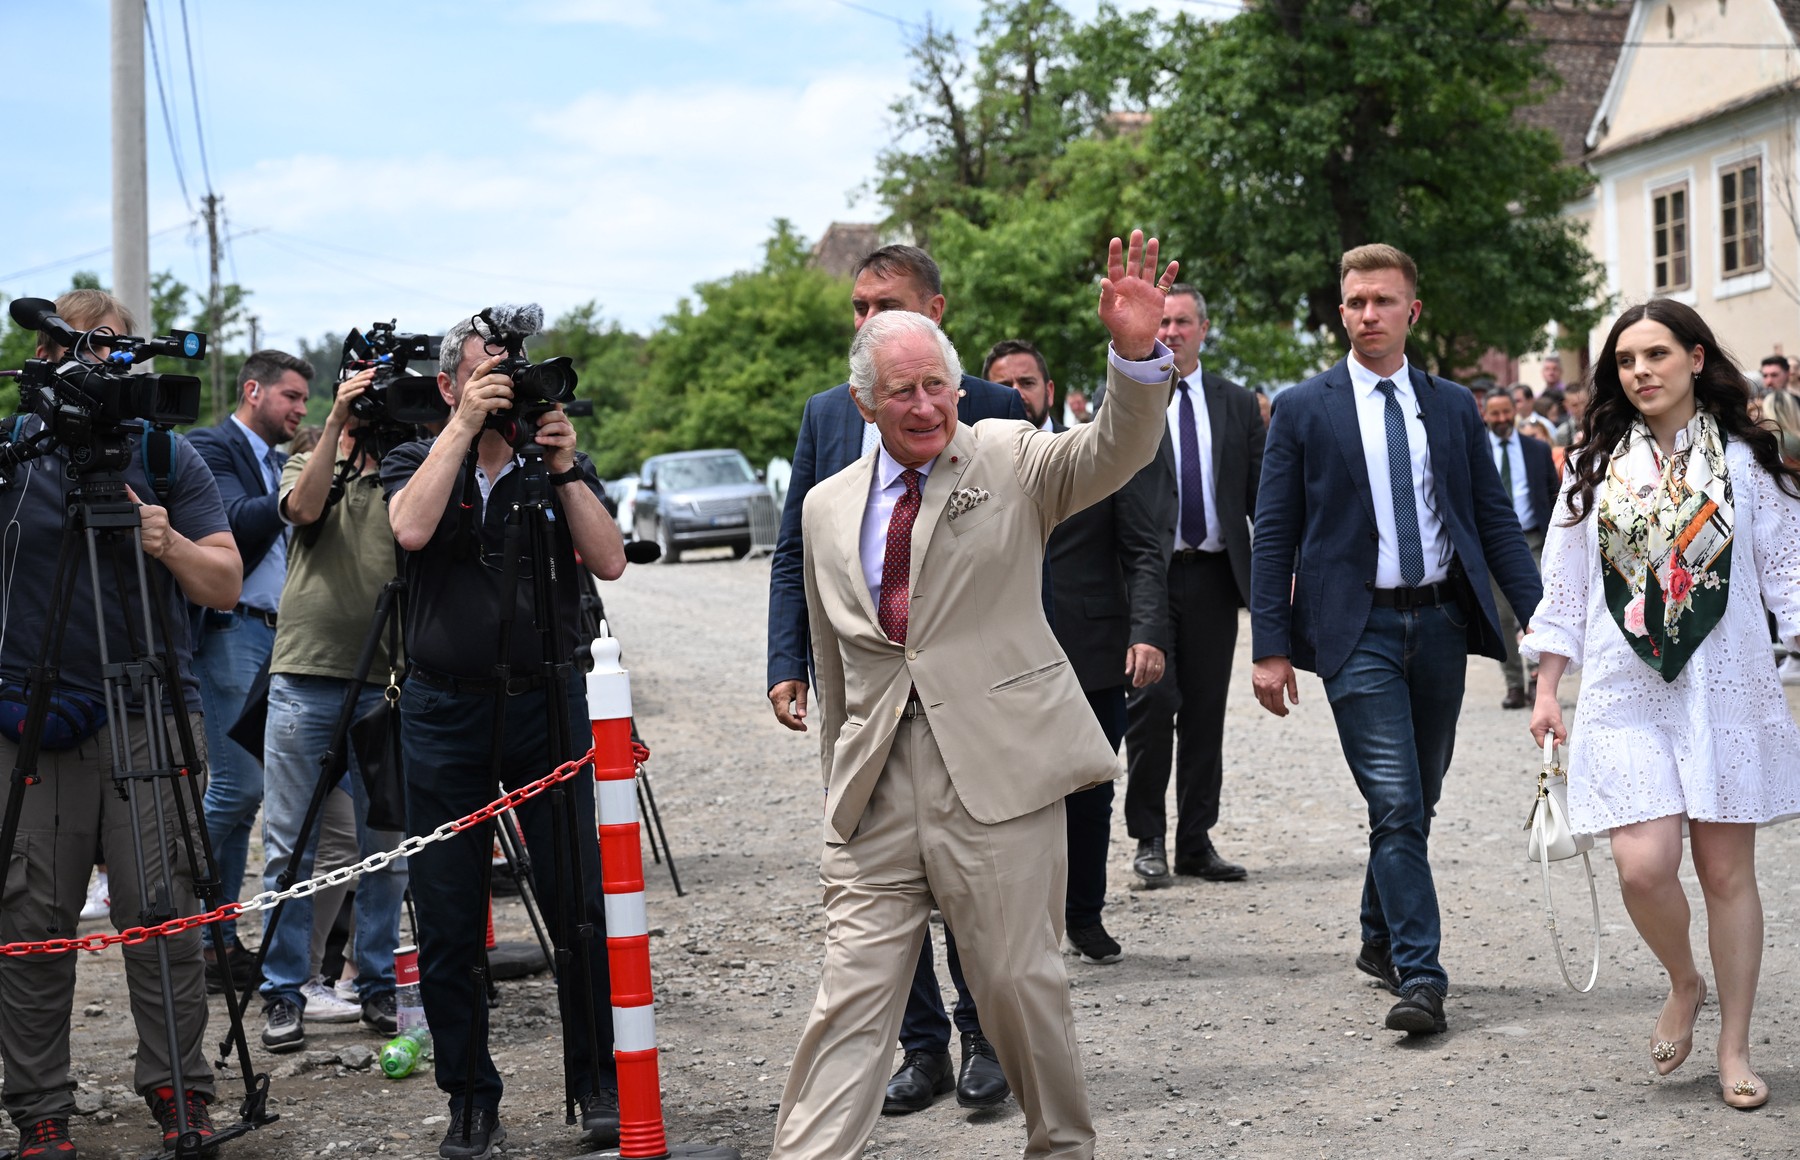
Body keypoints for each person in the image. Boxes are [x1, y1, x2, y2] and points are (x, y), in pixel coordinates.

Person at [770, 231, 1177, 1160]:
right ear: (864, 405)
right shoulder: (828, 505)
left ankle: (1062, 1145)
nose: (924, 406)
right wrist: (840, 779)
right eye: (902, 392)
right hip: (874, 793)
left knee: (1016, 985)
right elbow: (841, 665)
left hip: (993, 778)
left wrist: (1136, 357)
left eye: (936, 386)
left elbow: (1113, 451)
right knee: (847, 1000)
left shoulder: (1006, 455)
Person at [1249, 244, 1542, 1036]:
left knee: (1420, 800)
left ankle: (1377, 936)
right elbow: (1274, 533)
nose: (1367, 314)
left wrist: (1543, 618)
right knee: (1397, 798)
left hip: (1441, 620)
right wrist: (1269, 644)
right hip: (1356, 629)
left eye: (1382, 301)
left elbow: (1493, 521)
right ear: (1340, 312)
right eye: (1354, 303)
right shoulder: (1305, 408)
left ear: (1412, 311)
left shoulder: (1449, 407)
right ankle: (1423, 974)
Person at [764, 243, 1027, 1118]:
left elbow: (1024, 560)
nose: (868, 319)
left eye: (888, 303)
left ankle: (986, 1035)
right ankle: (921, 1049)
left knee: (972, 884)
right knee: (883, 886)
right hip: (870, 707)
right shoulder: (827, 412)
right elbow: (796, 551)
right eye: (858, 306)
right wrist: (786, 662)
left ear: (937, 311)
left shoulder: (988, 409)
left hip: (969, 701)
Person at [1525, 299, 1800, 1111]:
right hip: (1627, 689)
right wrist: (1546, 686)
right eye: (1624, 361)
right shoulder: (1595, 464)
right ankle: (1685, 981)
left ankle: (1735, 1045)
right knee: (1641, 866)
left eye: (1655, 355)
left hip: (1727, 687)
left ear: (1695, 358)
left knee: (1724, 872)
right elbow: (1567, 586)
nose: (1640, 371)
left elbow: (1789, 574)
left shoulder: (1751, 463)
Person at [0, 289, 242, 1157]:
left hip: (150, 706)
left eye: (110, 349)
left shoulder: (166, 457)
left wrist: (168, 542)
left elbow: (223, 582)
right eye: (78, 349)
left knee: (161, 908)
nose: (96, 365)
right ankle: (39, 1110)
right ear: (43, 355)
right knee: (30, 918)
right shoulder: (11, 454)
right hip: (33, 719)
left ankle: (183, 1094)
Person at [383, 308, 627, 1159]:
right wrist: (460, 427)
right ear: (450, 384)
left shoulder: (547, 465)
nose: (503, 389)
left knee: (580, 907)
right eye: (485, 373)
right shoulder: (418, 456)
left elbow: (610, 560)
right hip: (445, 711)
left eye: (510, 374)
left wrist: (561, 467)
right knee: (449, 917)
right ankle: (470, 1101)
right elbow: (410, 529)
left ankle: (598, 1082)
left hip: (545, 701)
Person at [989, 337, 1175, 959]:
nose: (1018, 393)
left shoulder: (1092, 454)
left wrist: (1146, 631)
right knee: (1008, 797)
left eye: (1028, 382)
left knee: (1090, 791)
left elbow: (1143, 551)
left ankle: (1084, 913)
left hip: (1091, 654)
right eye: (1004, 383)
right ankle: (1013, 918)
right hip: (1000, 663)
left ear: (1048, 390)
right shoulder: (965, 466)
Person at [256, 366, 410, 1053]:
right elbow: (304, 510)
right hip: (304, 672)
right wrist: (339, 429)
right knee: (292, 843)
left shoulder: (411, 465)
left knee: (387, 845)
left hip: (389, 680)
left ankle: (374, 983)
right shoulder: (308, 458)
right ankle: (283, 993)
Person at [1119, 283, 1264, 886]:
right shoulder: (1128, 400)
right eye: (1162, 323)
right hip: (1146, 580)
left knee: (1206, 713)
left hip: (1213, 578)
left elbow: (1261, 495)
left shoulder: (1236, 404)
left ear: (1203, 329)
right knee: (1151, 707)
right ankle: (1148, 837)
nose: (1171, 332)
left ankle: (1196, 840)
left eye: (1181, 322)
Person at [188, 349, 313, 989]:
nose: (299, 410)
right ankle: (187, 925)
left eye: (304, 401)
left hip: (283, 636)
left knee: (244, 800)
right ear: (253, 390)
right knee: (237, 791)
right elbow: (234, 529)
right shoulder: (208, 449)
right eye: (290, 397)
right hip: (234, 630)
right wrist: (295, 495)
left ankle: (216, 938)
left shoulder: (275, 461)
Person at [1480, 389, 1560, 709]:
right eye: (1494, 413)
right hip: (1491, 545)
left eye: (1505, 412)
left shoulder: (1537, 450)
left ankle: (1538, 679)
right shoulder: (1478, 450)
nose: (1500, 419)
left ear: (1515, 410)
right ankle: (1513, 682)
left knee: (1538, 612)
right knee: (1500, 617)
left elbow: (1553, 494)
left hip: (1534, 541)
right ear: (1485, 415)